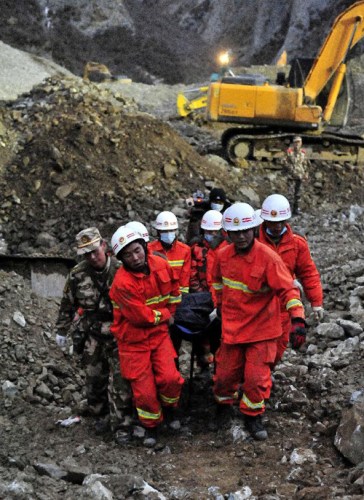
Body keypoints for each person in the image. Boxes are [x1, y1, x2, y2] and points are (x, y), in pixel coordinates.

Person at [211, 203, 306, 440]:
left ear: (254, 229)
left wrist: (298, 319)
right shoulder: (222, 256)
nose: (241, 236)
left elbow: (288, 290)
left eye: (246, 230)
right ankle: (223, 407)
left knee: (255, 379)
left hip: (262, 331)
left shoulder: (268, 258)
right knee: (224, 376)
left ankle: (253, 416)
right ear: (228, 233)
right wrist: (219, 305)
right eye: (236, 232)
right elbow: (216, 283)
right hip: (232, 329)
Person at [54, 227, 132, 443]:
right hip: (94, 333)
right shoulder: (77, 275)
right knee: (94, 378)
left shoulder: (121, 269)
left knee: (121, 382)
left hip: (120, 334)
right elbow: (67, 304)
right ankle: (100, 415)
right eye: (86, 253)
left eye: (95, 251)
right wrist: (61, 330)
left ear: (104, 246)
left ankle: (122, 425)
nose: (92, 257)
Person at [109, 226, 184, 447]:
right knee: (145, 392)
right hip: (132, 342)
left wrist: (171, 309)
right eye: (128, 255)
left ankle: (171, 410)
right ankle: (151, 426)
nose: (135, 257)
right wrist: (167, 314)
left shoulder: (161, 265)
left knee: (170, 379)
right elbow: (141, 317)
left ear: (144, 246)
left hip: (159, 335)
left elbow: (175, 292)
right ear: (121, 258)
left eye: (137, 251)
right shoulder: (121, 284)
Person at [257, 193, 323, 366]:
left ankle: (262, 378)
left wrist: (316, 302)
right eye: (273, 222)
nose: (277, 226)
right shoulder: (253, 242)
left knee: (277, 350)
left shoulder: (297, 244)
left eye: (281, 221)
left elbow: (308, 273)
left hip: (285, 304)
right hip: (257, 305)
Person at [189, 210, 229, 367]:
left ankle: (220, 370)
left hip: (222, 298)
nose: (211, 234)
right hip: (201, 297)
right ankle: (203, 363)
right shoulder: (195, 248)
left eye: (215, 231)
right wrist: (200, 294)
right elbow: (191, 274)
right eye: (208, 231)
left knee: (220, 336)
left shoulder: (228, 249)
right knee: (200, 335)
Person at [148, 211, 191, 295]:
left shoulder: (185, 250)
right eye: (164, 231)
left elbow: (184, 281)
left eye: (171, 230)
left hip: (177, 297)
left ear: (176, 230)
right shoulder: (149, 249)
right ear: (158, 232)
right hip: (157, 297)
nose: (168, 234)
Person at [282, 135, 310, 215]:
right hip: (291, 176)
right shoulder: (289, 152)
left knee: (298, 194)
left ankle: (296, 209)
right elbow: (283, 161)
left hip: (300, 176)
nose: (297, 144)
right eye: (295, 142)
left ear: (301, 143)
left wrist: (306, 173)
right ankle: (288, 210)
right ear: (293, 143)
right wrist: (289, 167)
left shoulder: (303, 153)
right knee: (290, 193)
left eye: (298, 142)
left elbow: (306, 164)